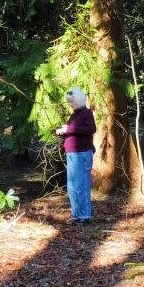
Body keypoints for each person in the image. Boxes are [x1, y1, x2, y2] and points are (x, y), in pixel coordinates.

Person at [55, 86, 96, 224]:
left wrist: (69, 129)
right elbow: (73, 131)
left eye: (72, 101)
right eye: (69, 101)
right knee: (71, 186)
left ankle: (85, 216)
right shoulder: (74, 115)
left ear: (78, 99)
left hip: (82, 154)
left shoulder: (87, 113)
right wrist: (63, 131)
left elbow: (91, 129)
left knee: (81, 185)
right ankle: (76, 215)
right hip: (71, 154)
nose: (70, 104)